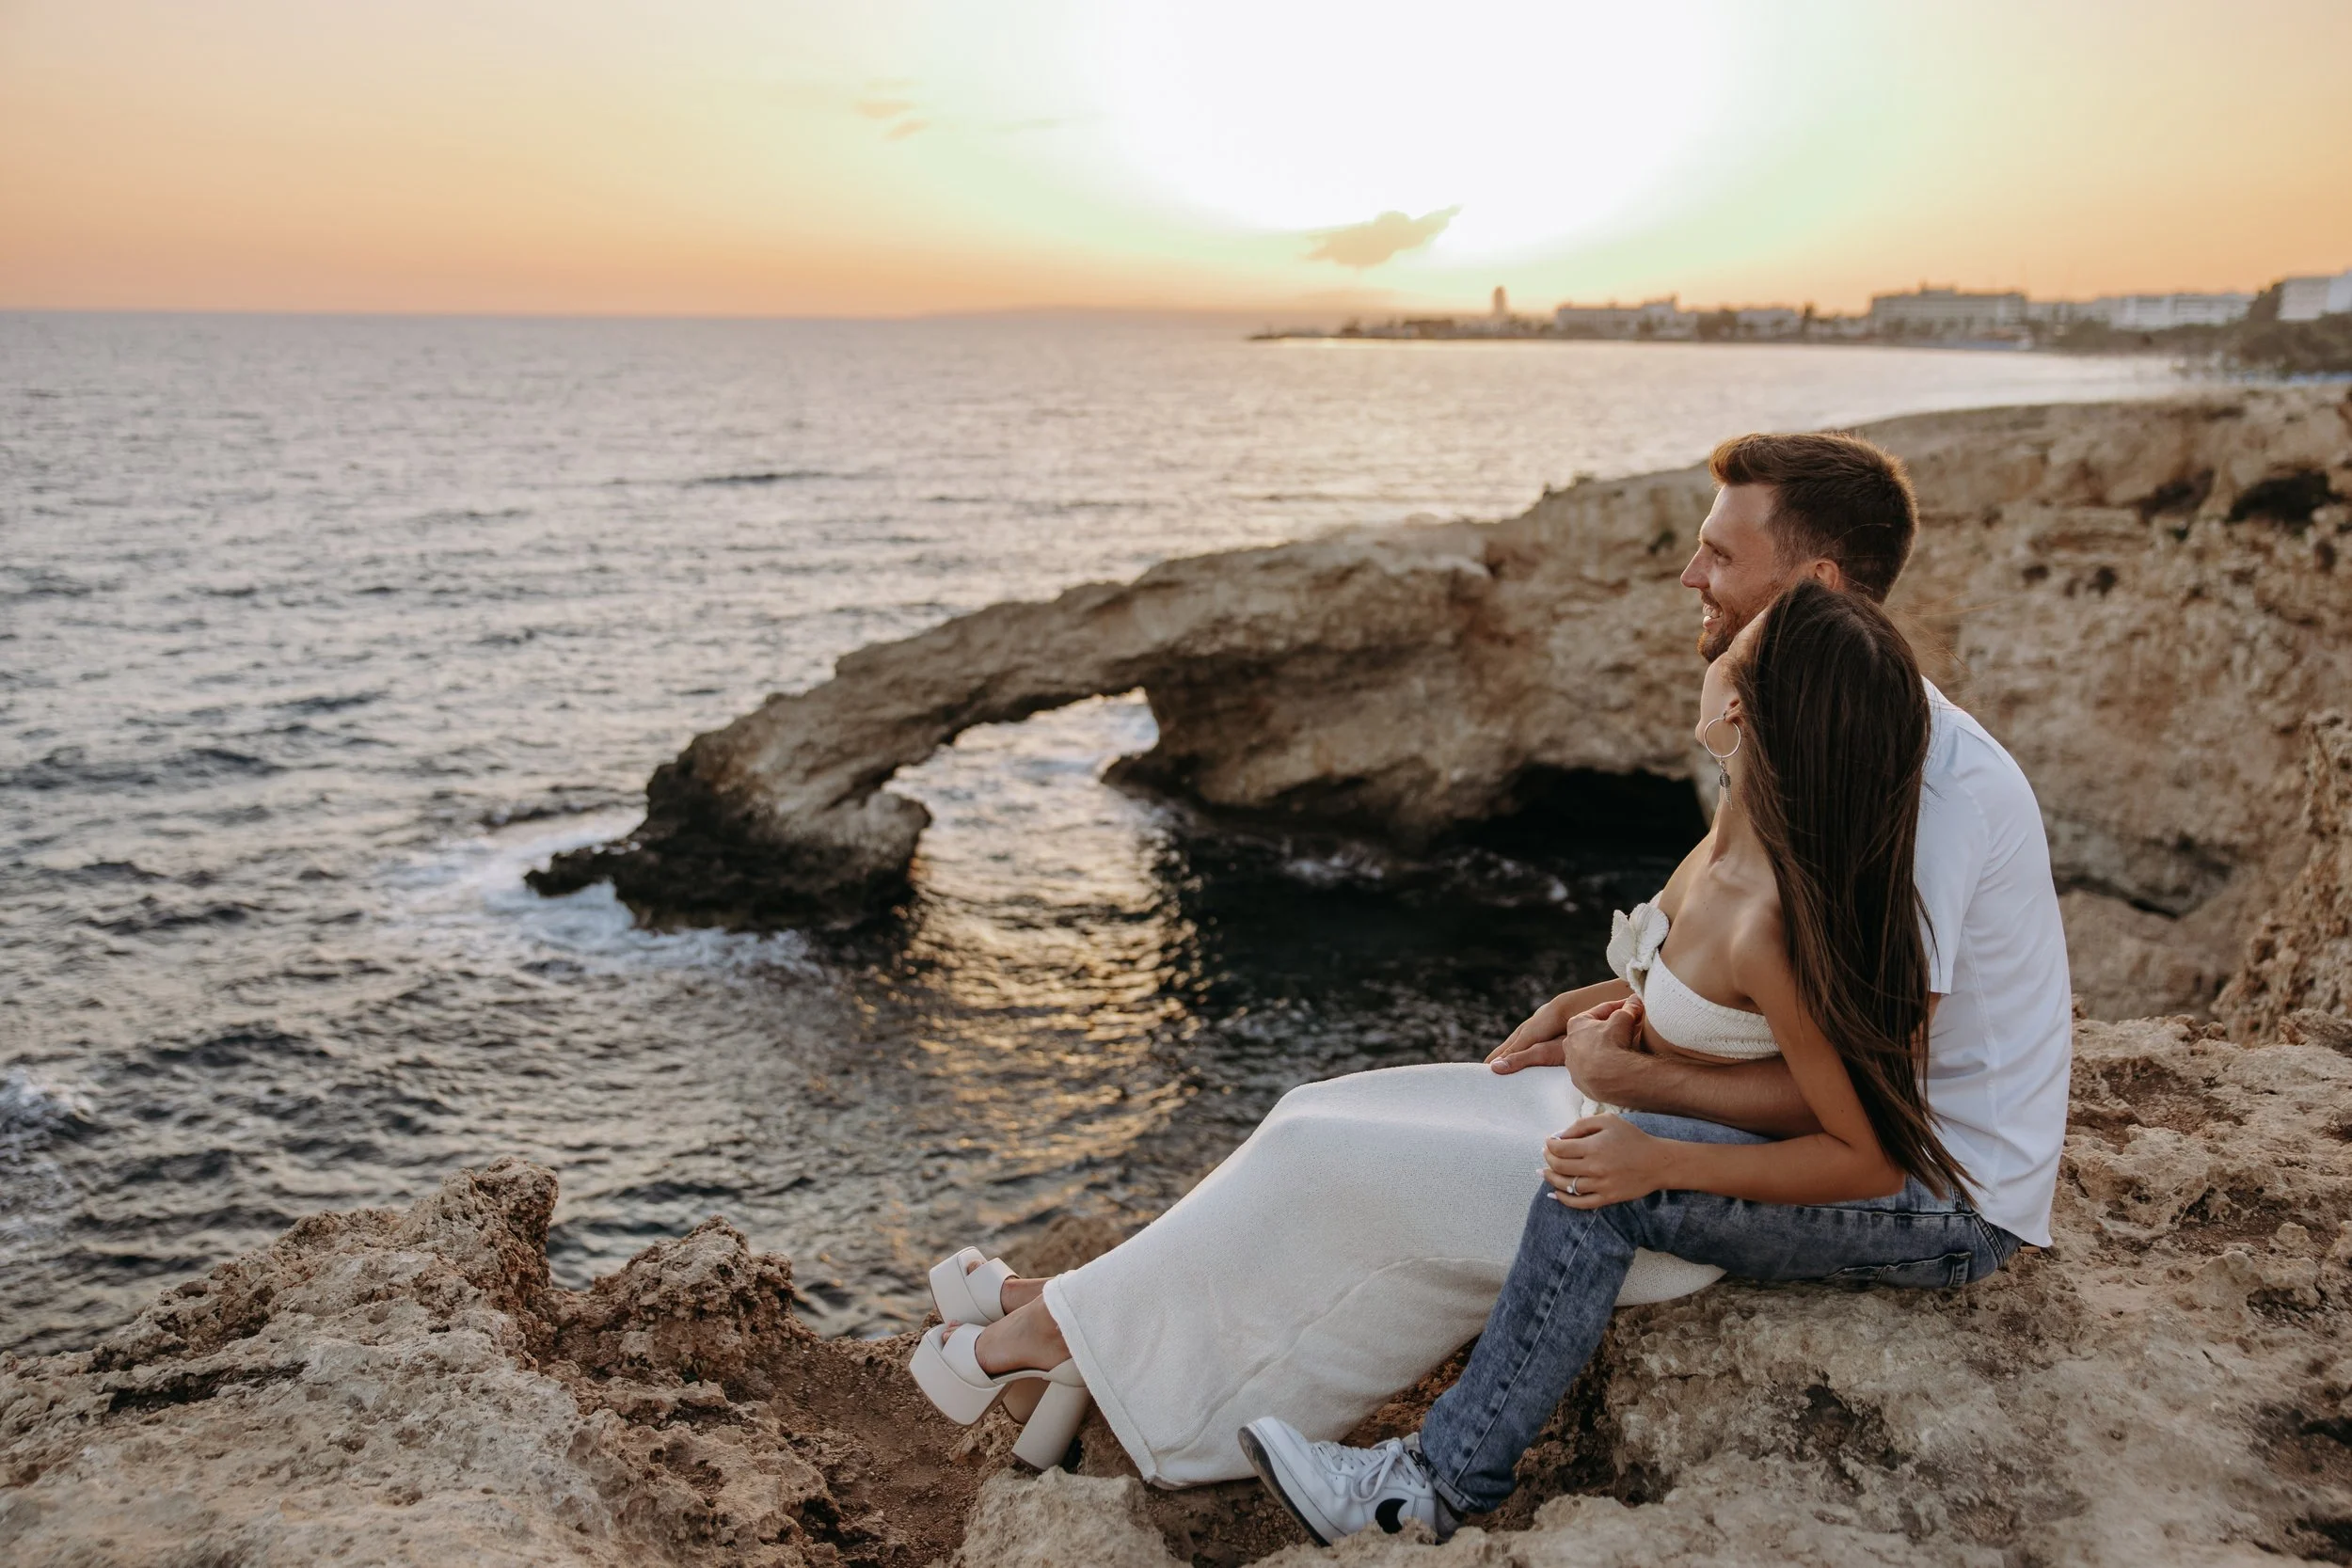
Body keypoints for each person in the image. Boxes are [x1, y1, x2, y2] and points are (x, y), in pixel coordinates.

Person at [904, 434, 2074, 1546]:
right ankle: (1086, 1313)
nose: (1689, 573)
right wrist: (1603, 1013)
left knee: (1437, 1178)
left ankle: (1418, 1476)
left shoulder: (1918, 801)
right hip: (1738, 1106)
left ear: (1812, 584)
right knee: (1314, 1115)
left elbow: (1873, 1113)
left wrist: (1642, 1083)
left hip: (1933, 1186)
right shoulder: (1793, 761)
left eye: (1720, 552)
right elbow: (1744, 988)